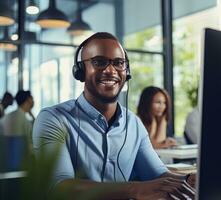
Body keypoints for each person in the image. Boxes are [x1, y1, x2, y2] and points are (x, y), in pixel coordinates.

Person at [32, 32, 195, 199]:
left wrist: (190, 179)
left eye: (119, 63)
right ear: (80, 71)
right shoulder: (53, 119)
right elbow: (59, 187)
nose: (110, 70)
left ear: (127, 71)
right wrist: (136, 189)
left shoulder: (133, 123)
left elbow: (157, 174)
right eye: (99, 62)